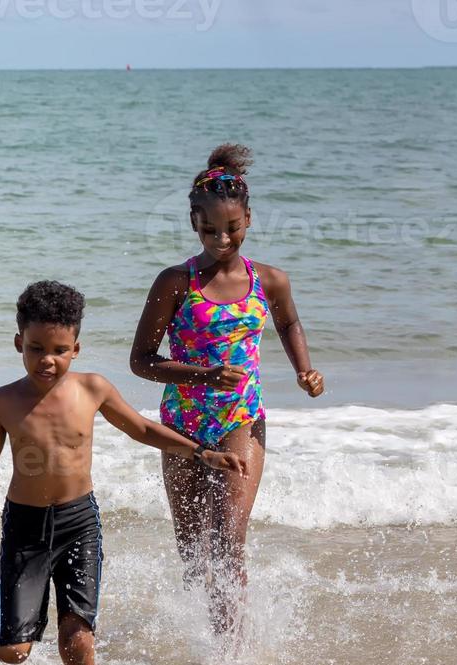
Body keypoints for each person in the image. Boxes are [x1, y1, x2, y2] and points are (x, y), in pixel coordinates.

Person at [0, 281, 247, 665]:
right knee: (13, 653)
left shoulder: (92, 388)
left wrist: (201, 452)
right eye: (36, 349)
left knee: (76, 638)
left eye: (59, 349)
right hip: (24, 527)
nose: (47, 360)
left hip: (79, 524)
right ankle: (29, 644)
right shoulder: (3, 400)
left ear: (76, 347)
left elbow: (143, 429)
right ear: (19, 343)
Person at [129, 144, 326, 636]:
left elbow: (289, 322)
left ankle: (230, 652)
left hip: (242, 419)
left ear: (249, 220)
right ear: (194, 222)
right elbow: (141, 362)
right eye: (210, 229)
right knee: (193, 548)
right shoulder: (176, 282)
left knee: (228, 540)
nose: (222, 238)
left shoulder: (270, 281)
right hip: (181, 425)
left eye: (232, 228)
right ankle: (200, 637)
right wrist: (203, 376)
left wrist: (305, 369)